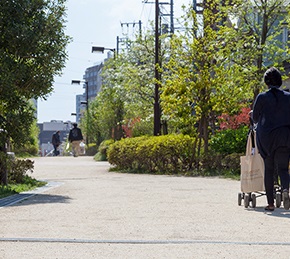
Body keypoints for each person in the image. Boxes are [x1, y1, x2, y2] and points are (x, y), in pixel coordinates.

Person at [252, 67, 290, 211]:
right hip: (285, 136)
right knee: (283, 168)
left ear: (266, 81)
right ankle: (285, 189)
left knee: (269, 169)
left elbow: (255, 118)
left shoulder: (262, 97)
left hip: (267, 138)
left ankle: (270, 203)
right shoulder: (288, 97)